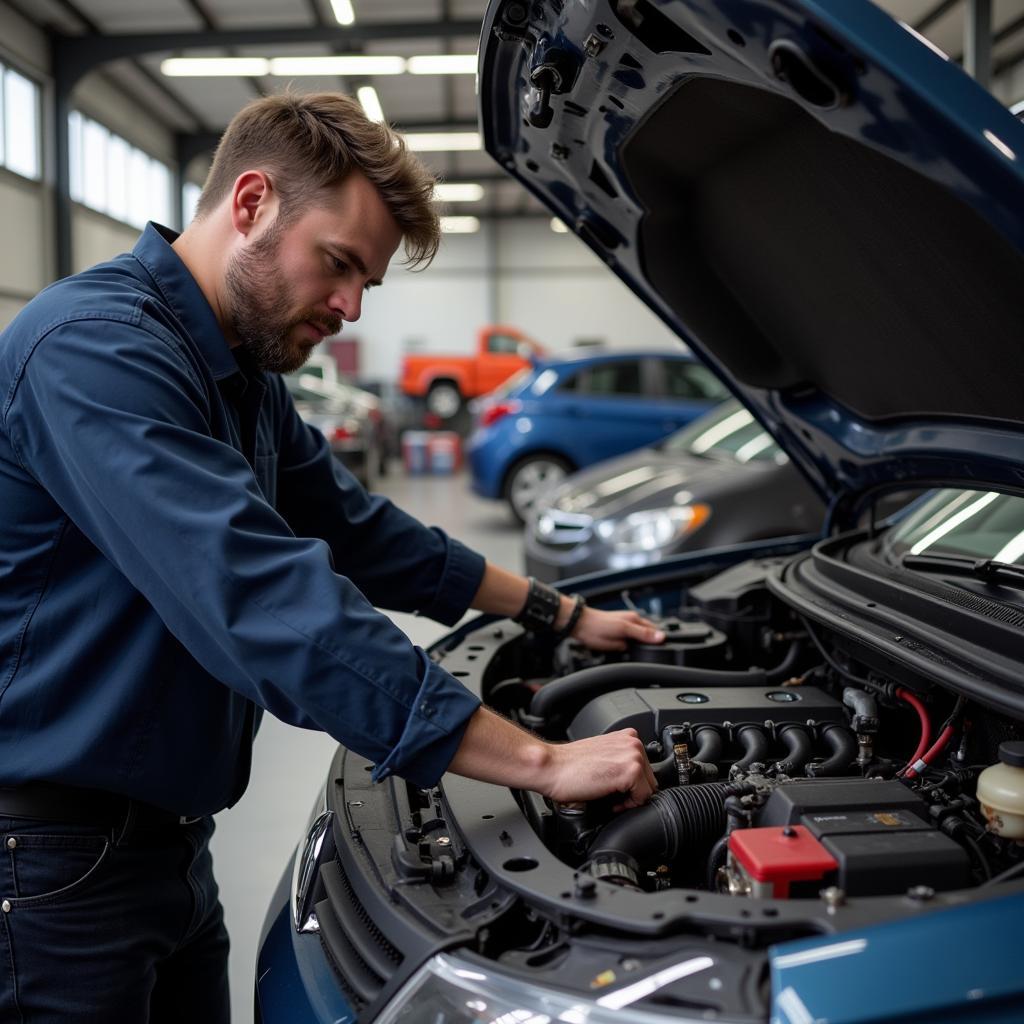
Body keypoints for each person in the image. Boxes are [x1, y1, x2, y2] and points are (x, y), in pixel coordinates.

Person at [0, 92, 661, 1021]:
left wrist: (557, 613)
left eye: (366, 286)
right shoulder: (95, 352)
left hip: (167, 851)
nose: (349, 308)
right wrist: (540, 764)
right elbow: (261, 600)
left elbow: (363, 531)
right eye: (339, 265)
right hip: (50, 871)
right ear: (252, 202)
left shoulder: (239, 374)